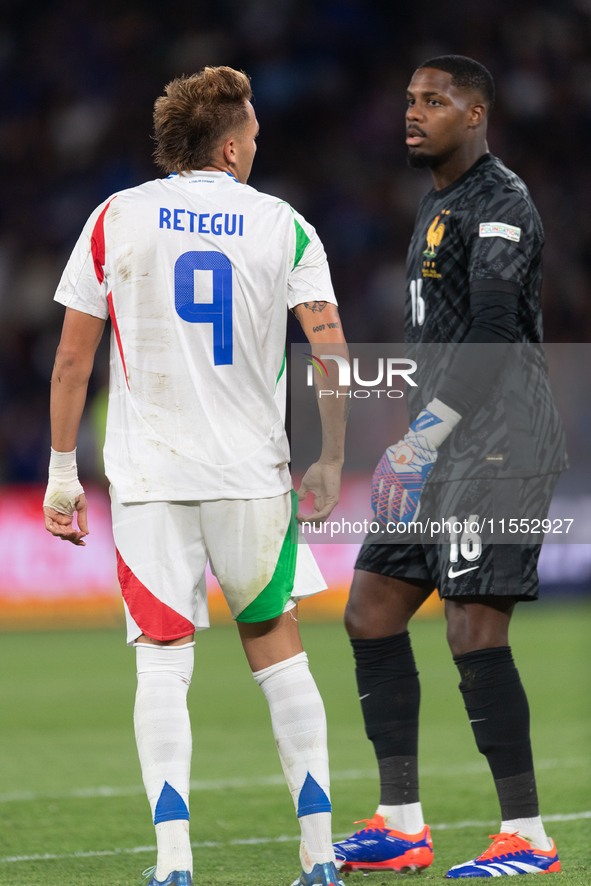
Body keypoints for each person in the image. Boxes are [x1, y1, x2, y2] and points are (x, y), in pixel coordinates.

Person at [43, 66, 349, 886]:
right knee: (278, 651)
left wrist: (61, 473)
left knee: (161, 663)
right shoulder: (283, 226)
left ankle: (173, 864)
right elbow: (330, 354)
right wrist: (329, 457)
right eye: (251, 134)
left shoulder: (115, 219)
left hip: (150, 477)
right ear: (227, 144)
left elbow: (72, 359)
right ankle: (319, 858)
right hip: (251, 473)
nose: (257, 145)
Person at [333, 56, 566, 879]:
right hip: (439, 450)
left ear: (475, 115)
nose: (413, 113)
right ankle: (400, 824)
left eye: (434, 102)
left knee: (472, 627)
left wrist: (421, 436)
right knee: (369, 609)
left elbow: (496, 335)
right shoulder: (437, 200)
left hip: (499, 448)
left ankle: (526, 837)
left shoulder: (500, 203)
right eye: (408, 100)